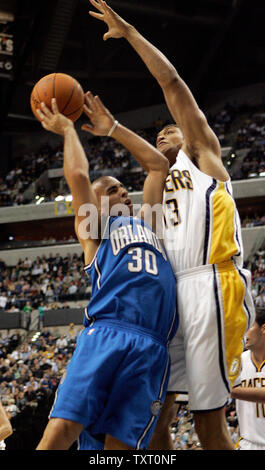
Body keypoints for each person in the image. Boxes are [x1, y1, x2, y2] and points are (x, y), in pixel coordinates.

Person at [88, 0, 255, 449]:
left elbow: (171, 81)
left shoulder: (201, 156)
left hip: (210, 286)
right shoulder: (152, 187)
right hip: (168, 297)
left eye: (169, 131)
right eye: (157, 134)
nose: (163, 134)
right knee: (156, 414)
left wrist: (130, 35)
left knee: (206, 420)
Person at [35, 92, 178, 450]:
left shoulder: (153, 224)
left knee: (122, 447)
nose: (125, 194)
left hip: (152, 344)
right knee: (61, 431)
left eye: (125, 189)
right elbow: (79, 175)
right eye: (113, 191)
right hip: (107, 332)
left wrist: (113, 128)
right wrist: (69, 130)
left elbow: (158, 166)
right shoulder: (95, 232)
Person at [231, 308, 265, 450]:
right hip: (246, 443)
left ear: (263, 329)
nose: (244, 334)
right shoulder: (238, 361)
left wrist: (228, 390)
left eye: (249, 326)